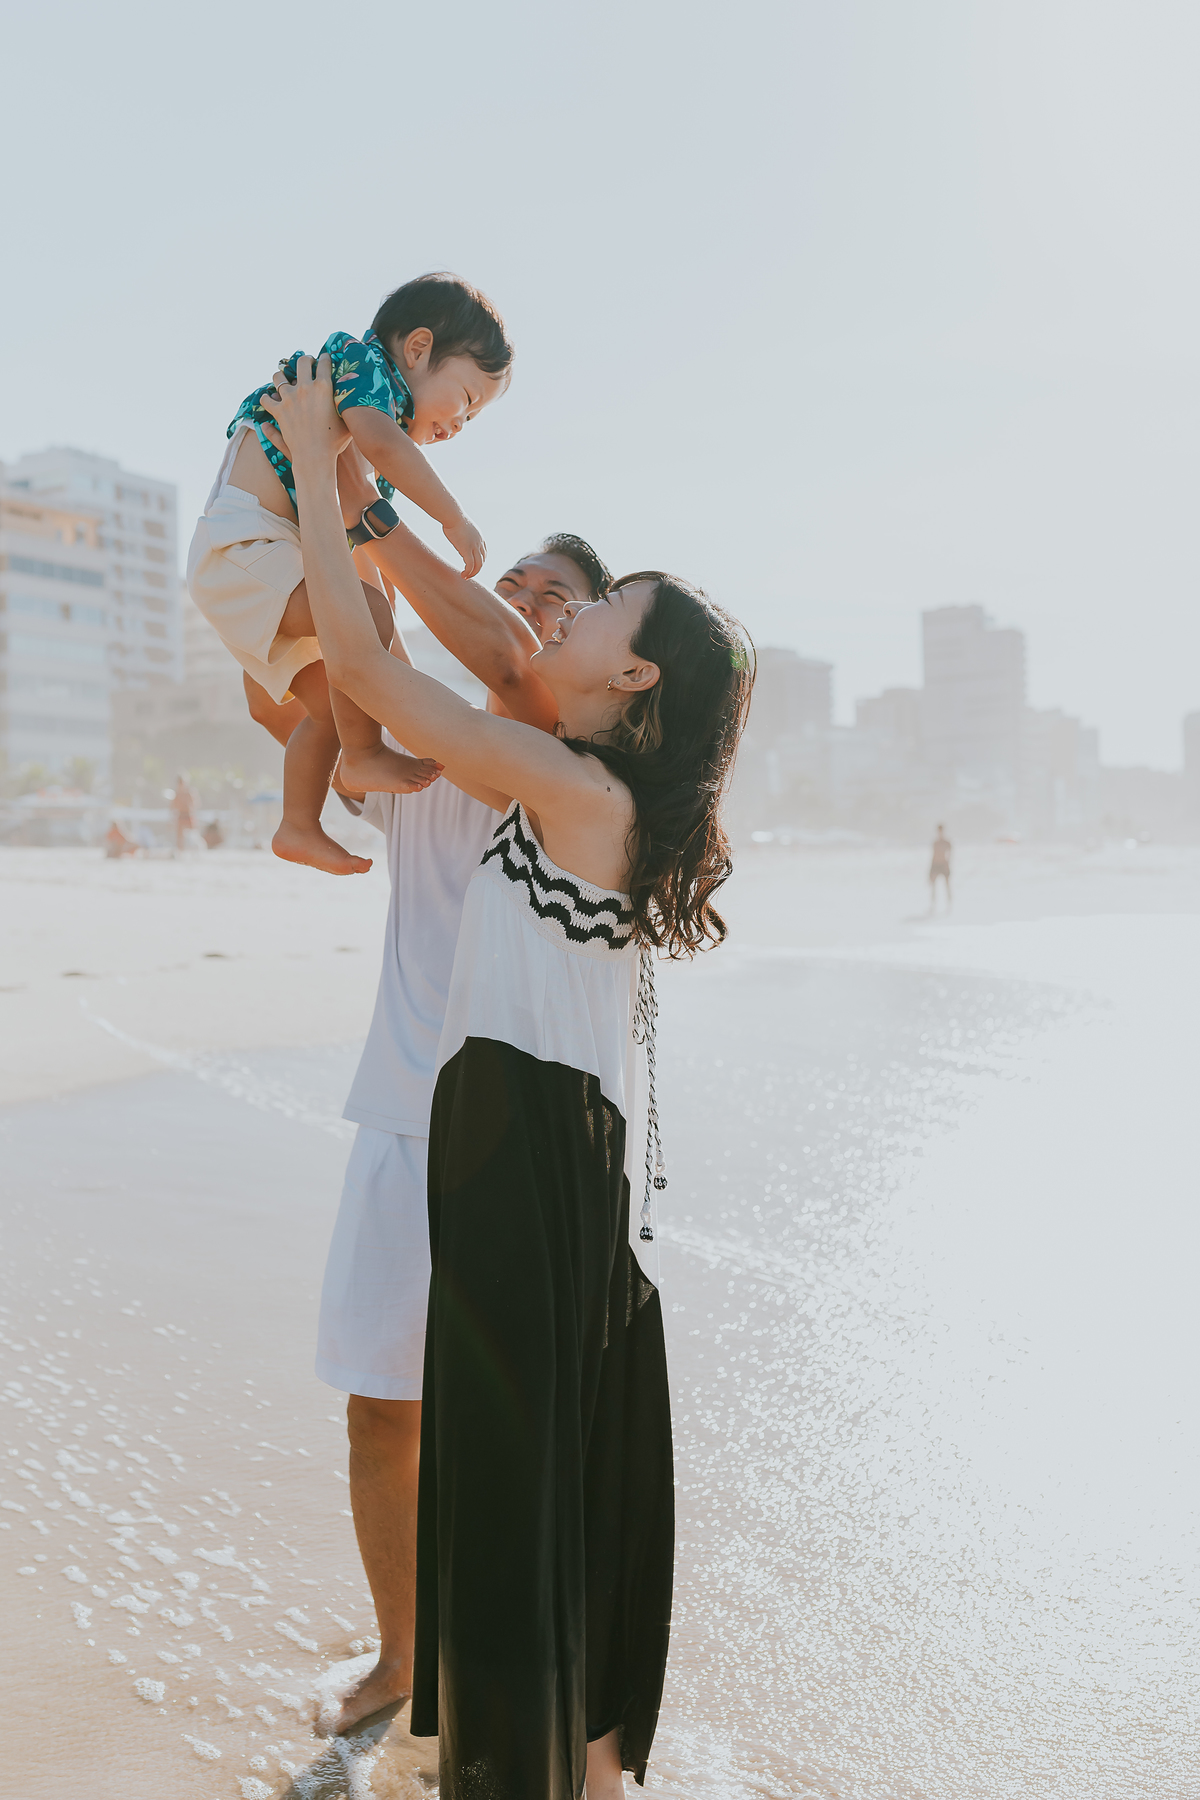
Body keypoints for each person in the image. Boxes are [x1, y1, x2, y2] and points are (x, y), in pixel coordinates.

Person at [260, 357, 754, 1800]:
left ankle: (552, 1771)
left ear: (630, 674)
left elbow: (367, 669)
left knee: (520, 1475)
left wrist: (317, 479)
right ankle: (574, 1767)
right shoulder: (578, 783)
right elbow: (362, 690)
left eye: (596, 609)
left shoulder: (570, 786)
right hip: (528, 1140)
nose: (564, 615)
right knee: (535, 1471)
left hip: (519, 1146)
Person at [312, 523, 612, 1742]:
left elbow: (464, 672)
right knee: (383, 1406)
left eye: (559, 596)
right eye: (515, 583)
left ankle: (536, 1690)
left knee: (524, 1430)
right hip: (401, 1114)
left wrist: (356, 500)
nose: (525, 600)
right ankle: (402, 1657)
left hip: (527, 1137)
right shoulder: (430, 753)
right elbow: (322, 696)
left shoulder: (567, 751)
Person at [185, 273, 513, 876]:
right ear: (417, 349)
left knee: (333, 704)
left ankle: (299, 824)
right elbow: (386, 446)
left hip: (261, 558)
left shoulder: (364, 432)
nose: (460, 426)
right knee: (366, 616)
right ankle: (362, 755)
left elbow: (352, 542)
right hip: (245, 544)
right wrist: (452, 518)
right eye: (466, 400)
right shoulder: (360, 368)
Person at [929, 821, 952, 912]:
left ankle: (949, 905)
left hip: (944, 865)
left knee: (947, 885)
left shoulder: (947, 842)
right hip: (935, 865)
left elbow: (950, 855)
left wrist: (947, 865)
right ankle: (933, 905)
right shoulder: (935, 843)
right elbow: (933, 856)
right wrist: (930, 869)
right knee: (933, 885)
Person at [170, 773, 196, 851]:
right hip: (181, 815)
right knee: (180, 835)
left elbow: (194, 805)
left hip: (188, 815)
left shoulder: (189, 793)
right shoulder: (177, 794)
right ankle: (181, 851)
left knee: (192, 834)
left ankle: (192, 850)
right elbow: (173, 807)